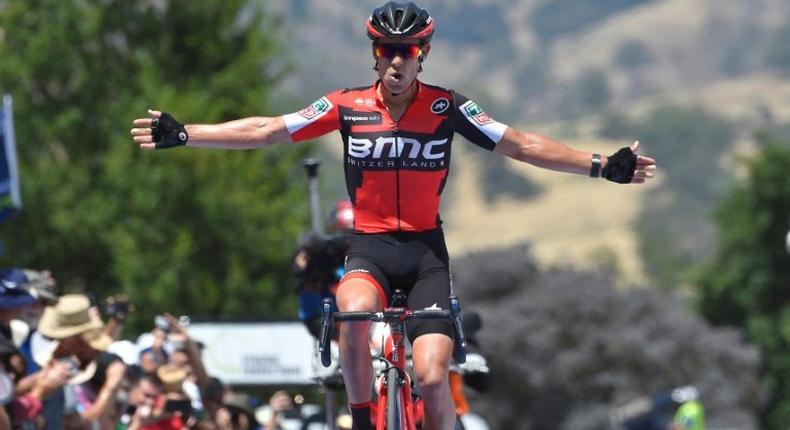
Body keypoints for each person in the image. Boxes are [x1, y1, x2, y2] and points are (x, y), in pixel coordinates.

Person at [130, 2, 657, 428]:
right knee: (353, 310)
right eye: (387, 50)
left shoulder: (448, 108)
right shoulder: (346, 105)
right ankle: (363, 418)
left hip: (426, 254)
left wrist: (601, 165)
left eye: (408, 50)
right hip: (370, 248)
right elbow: (269, 129)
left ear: (423, 53)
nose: (397, 61)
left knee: (431, 379)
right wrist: (187, 134)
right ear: (375, 55)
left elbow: (518, 144)